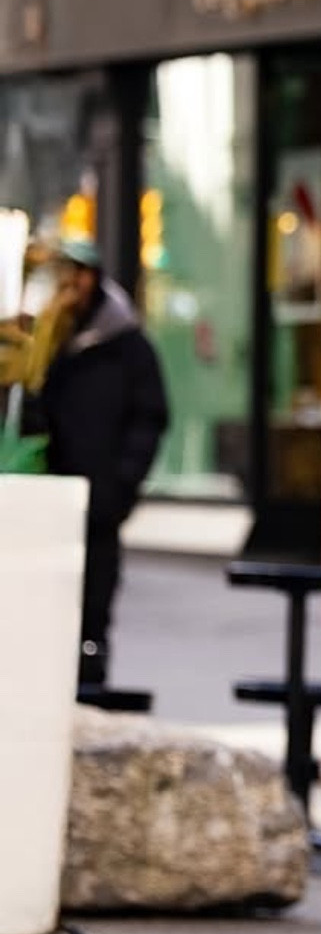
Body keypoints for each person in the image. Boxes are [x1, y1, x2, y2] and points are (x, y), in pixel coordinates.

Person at [34, 238, 169, 688]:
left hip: (100, 497)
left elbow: (150, 417)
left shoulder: (128, 346)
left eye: (75, 274)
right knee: (46, 602)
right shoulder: (47, 339)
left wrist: (122, 484)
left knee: (94, 604)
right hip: (49, 495)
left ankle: (91, 680)